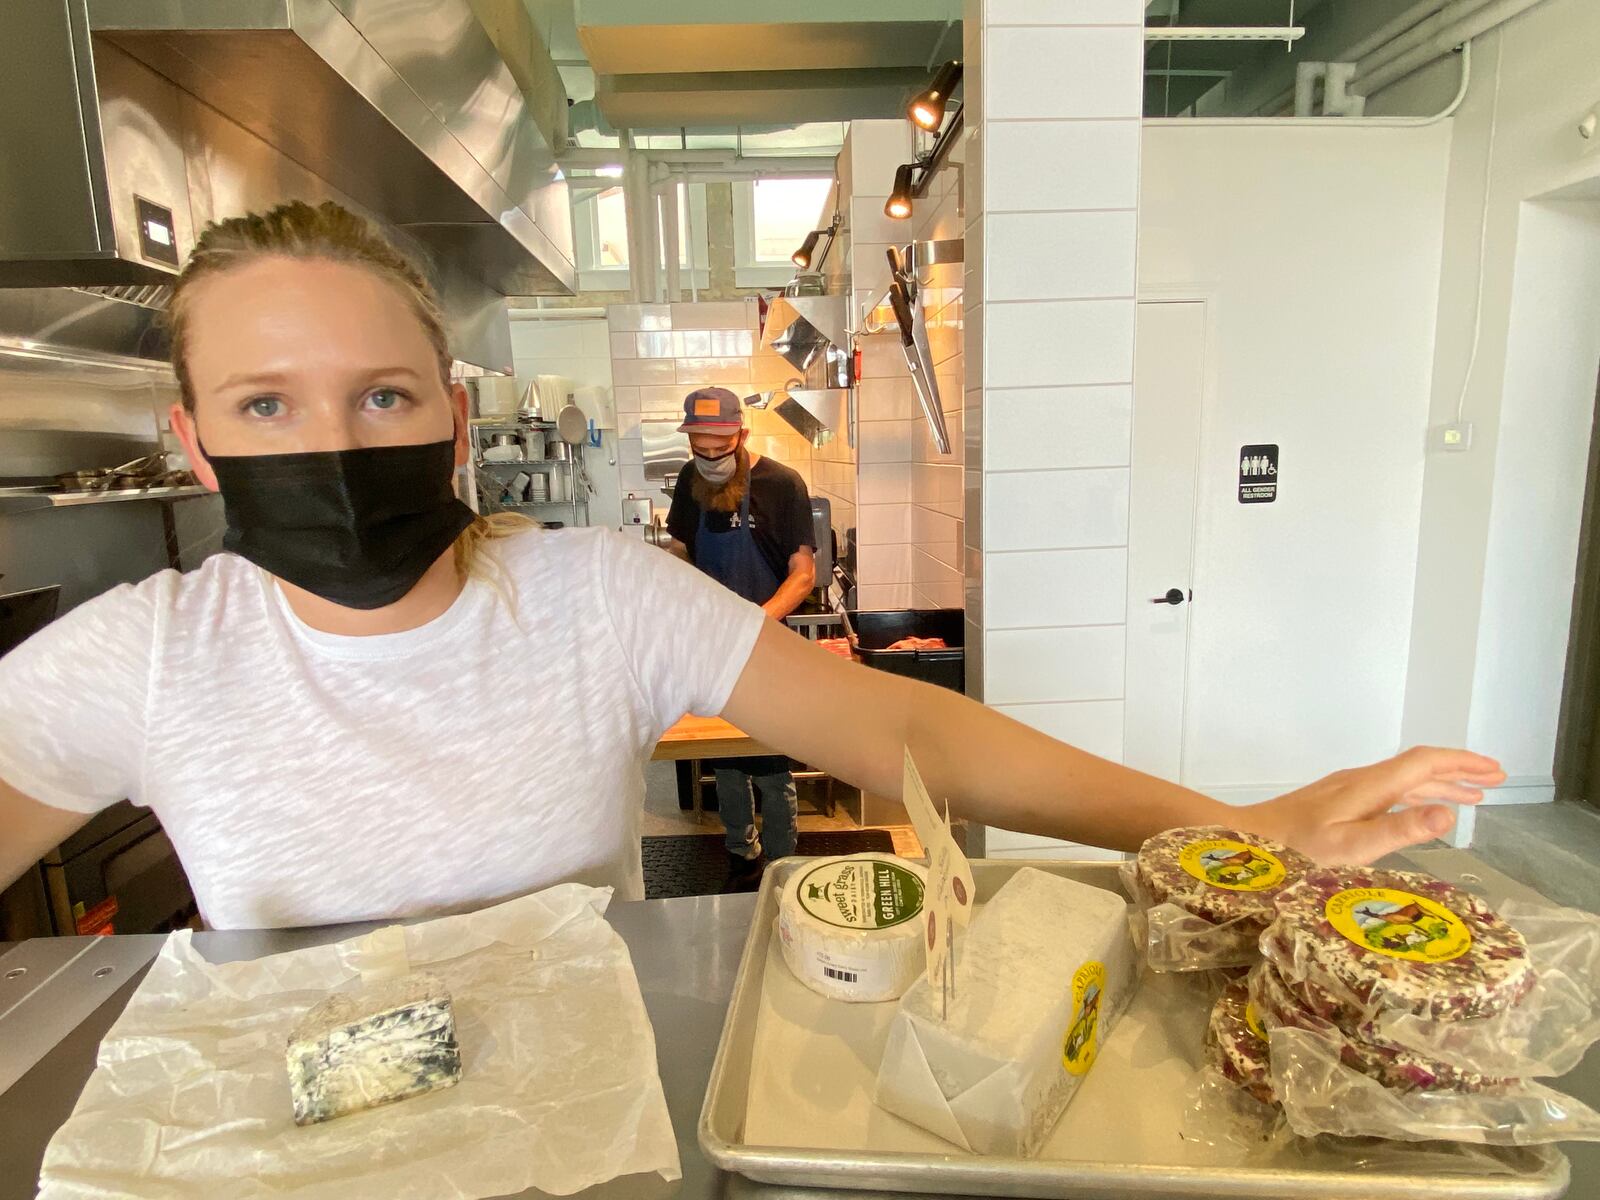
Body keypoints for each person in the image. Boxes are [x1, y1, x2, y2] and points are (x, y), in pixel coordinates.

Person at [0, 200, 1503, 933]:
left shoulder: (590, 596)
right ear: (195, 443)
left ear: (453, 420)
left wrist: (1234, 828)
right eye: (267, 405)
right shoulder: (138, 660)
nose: (332, 439)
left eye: (382, 394)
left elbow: (914, 734)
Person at [666, 388, 816, 888]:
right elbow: (684, 547)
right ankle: (739, 851)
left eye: (720, 450)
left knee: (771, 759)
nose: (709, 460)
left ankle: (783, 863)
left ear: (742, 436)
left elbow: (803, 574)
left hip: (768, 643)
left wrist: (756, 619)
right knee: (725, 757)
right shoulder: (690, 480)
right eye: (700, 450)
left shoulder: (783, 485)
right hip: (711, 643)